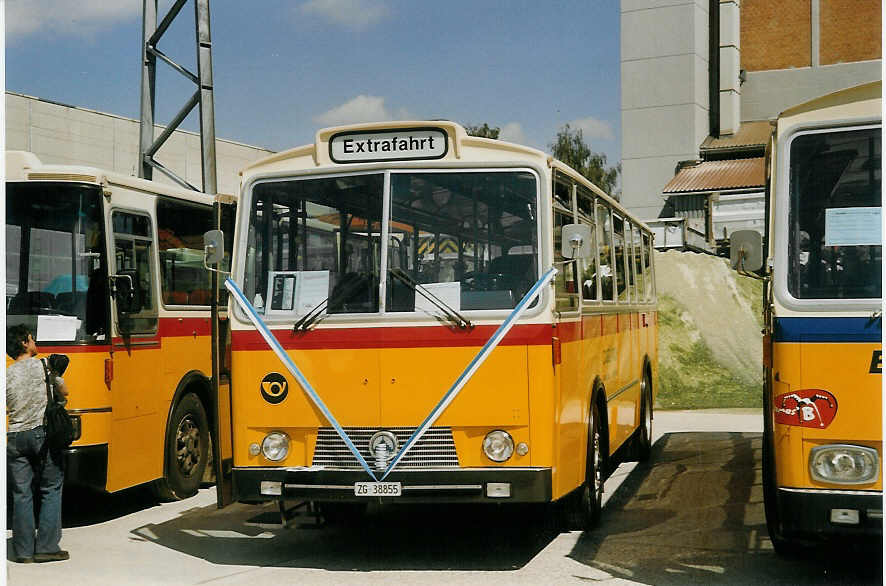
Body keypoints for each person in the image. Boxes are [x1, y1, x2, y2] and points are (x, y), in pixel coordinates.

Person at [6, 324, 70, 563]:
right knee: (51, 487)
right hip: (41, 435)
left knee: (21, 494)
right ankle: (46, 547)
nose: (35, 342)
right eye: (32, 339)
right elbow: (63, 392)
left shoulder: (7, 373)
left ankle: (22, 552)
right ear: (24, 343)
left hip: (14, 437)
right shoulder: (45, 365)